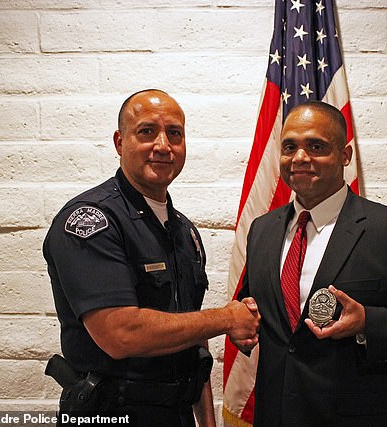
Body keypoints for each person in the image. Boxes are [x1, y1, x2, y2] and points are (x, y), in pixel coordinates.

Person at [232, 101, 387, 426]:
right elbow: (266, 311)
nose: (300, 157)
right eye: (290, 146)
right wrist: (243, 322)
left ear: (345, 156)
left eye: (316, 146)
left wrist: (367, 323)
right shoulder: (261, 229)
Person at [43, 89, 259, 427]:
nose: (163, 145)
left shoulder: (184, 232)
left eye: (175, 133)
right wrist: (227, 318)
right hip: (111, 414)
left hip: (177, 414)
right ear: (119, 141)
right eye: (147, 132)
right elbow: (119, 334)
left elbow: (191, 335)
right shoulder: (92, 220)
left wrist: (207, 422)